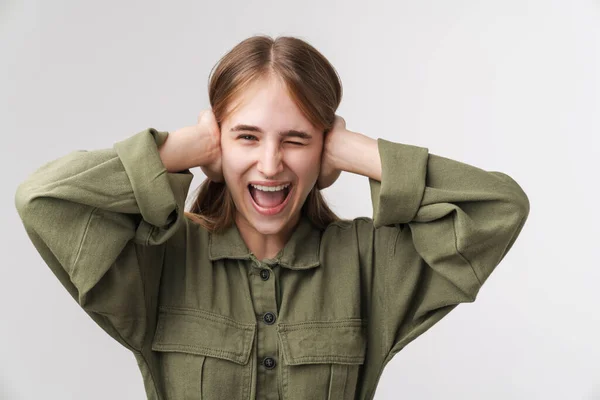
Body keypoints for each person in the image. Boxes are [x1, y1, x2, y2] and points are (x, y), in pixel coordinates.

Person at [14, 35, 530, 400]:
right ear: (218, 143)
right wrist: (181, 148)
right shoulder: (160, 255)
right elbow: (43, 200)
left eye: (296, 138)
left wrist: (358, 151)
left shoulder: (372, 261)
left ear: (323, 148)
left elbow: (499, 208)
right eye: (246, 136)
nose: (269, 164)